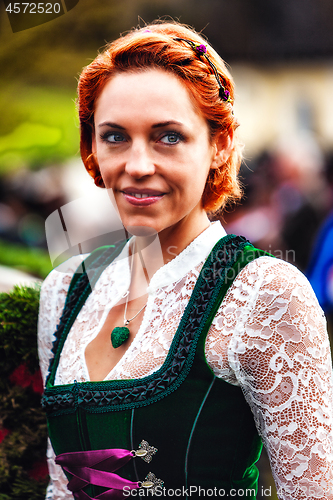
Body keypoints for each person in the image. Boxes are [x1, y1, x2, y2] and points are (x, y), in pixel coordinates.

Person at [38, 21, 333, 500]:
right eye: (114, 136)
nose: (136, 165)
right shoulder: (65, 290)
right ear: (91, 147)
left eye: (168, 137)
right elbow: (60, 487)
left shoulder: (264, 295)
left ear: (219, 145)